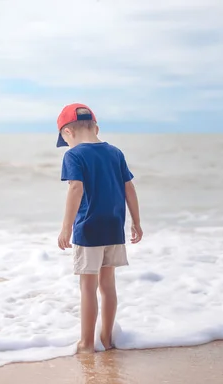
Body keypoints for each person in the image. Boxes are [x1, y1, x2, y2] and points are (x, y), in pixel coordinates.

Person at [56, 103, 143, 353]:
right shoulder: (115, 152)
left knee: (87, 287)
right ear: (96, 127)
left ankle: (86, 343)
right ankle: (106, 338)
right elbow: (129, 188)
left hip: (89, 228)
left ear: (67, 133)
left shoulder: (73, 155)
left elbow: (76, 188)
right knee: (108, 285)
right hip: (114, 227)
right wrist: (136, 222)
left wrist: (66, 227)